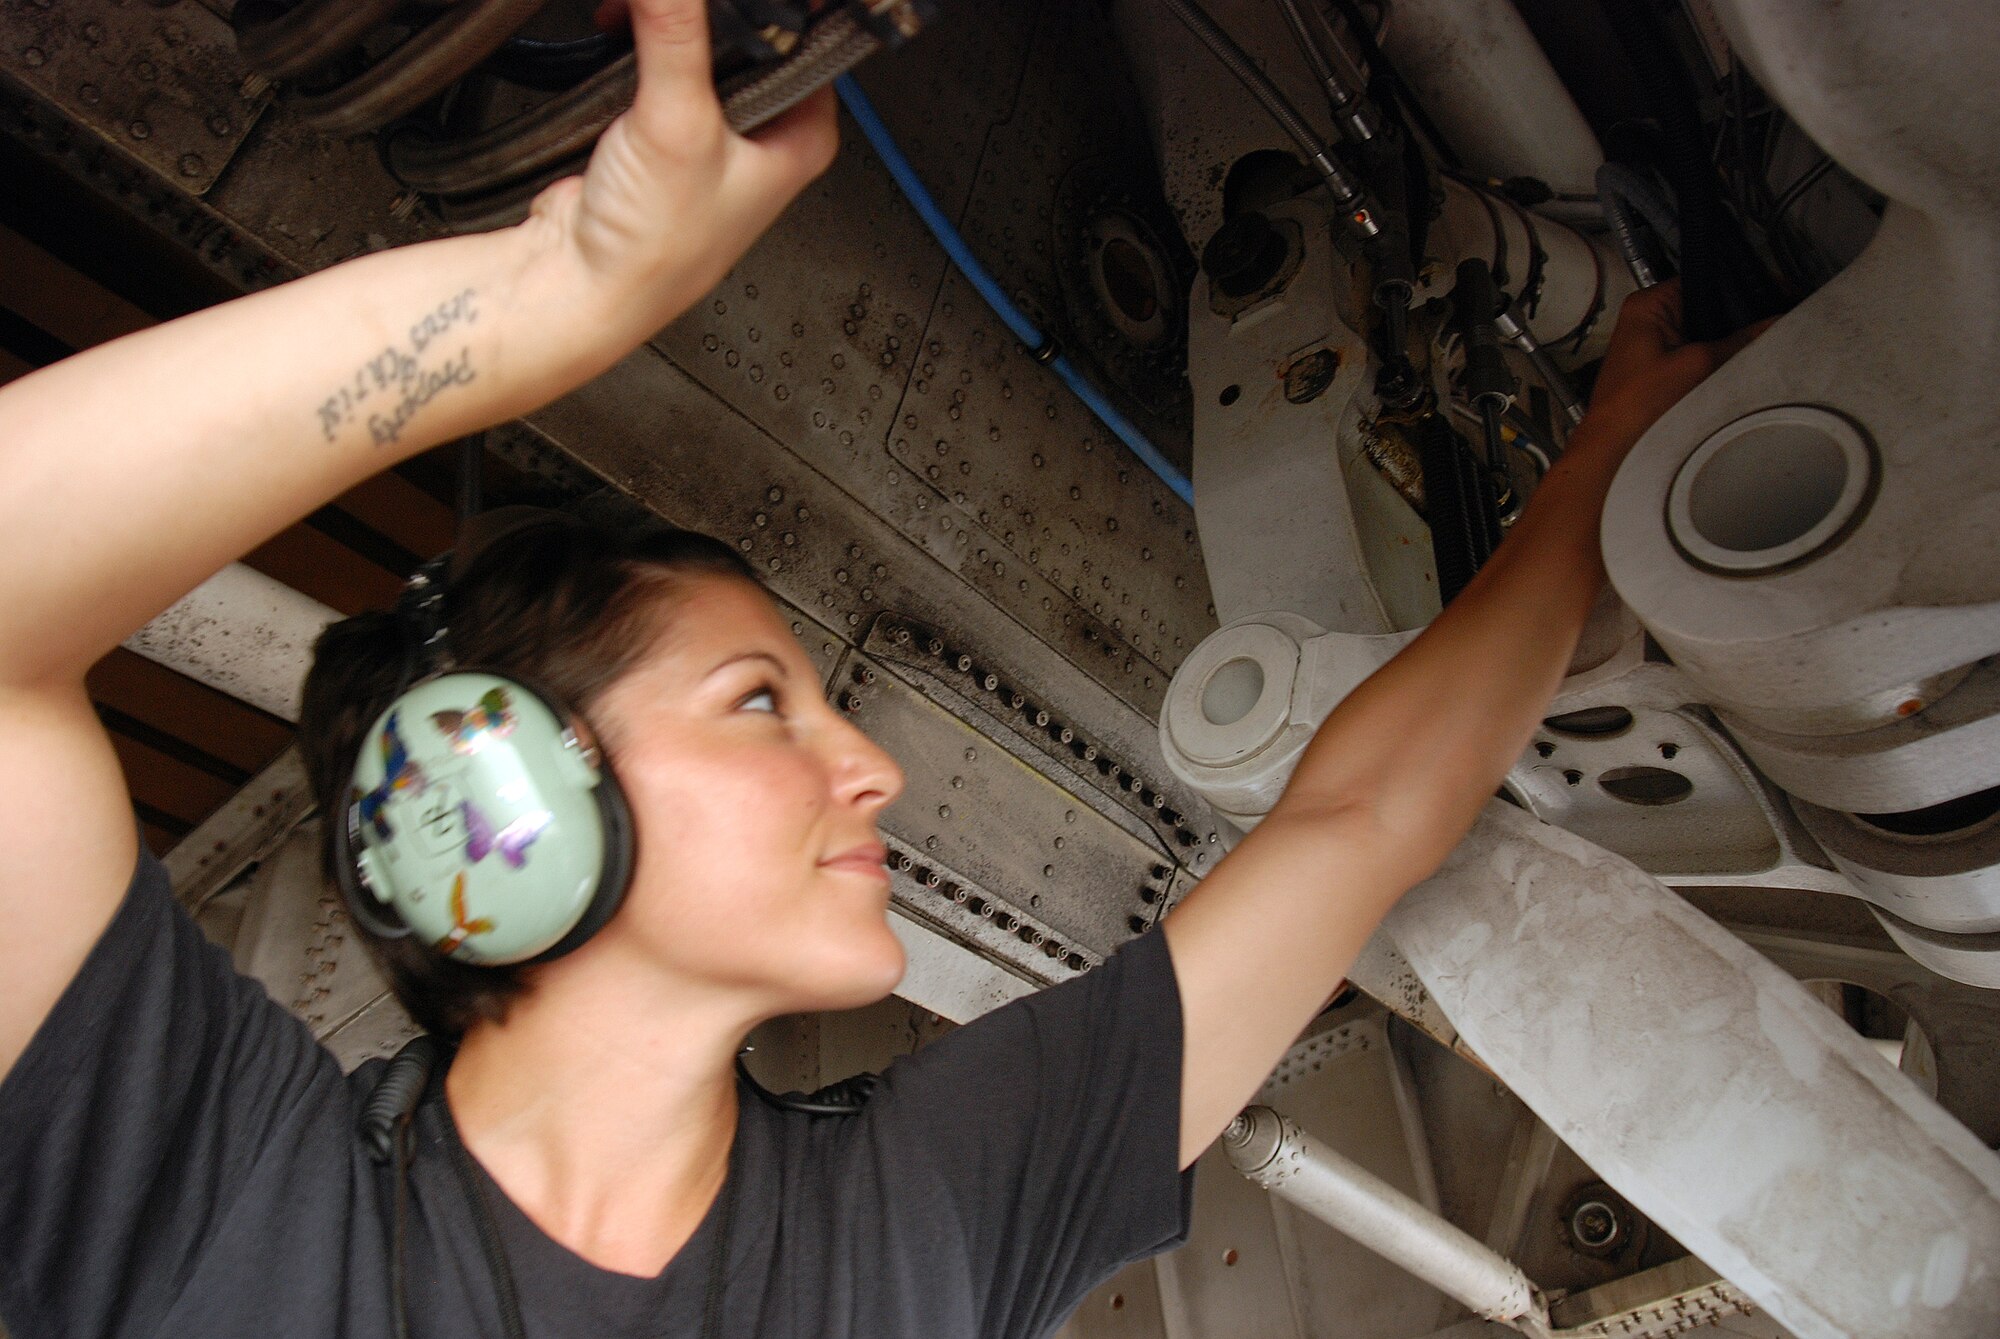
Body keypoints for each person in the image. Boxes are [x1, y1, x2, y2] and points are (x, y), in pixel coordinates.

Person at [0, 0, 1762, 1334]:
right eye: (761, 699)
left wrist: (1604, 467)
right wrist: (553, 299)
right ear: (490, 791)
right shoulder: (212, 1194)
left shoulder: (933, 1199)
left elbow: (1358, 824)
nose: (876, 771)